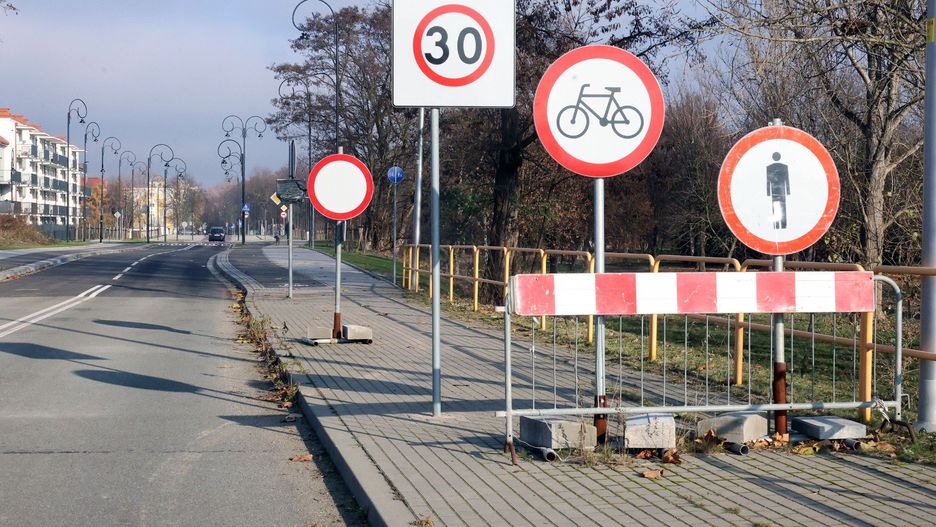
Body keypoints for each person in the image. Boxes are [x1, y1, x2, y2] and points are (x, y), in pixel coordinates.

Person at [766, 152, 791, 229]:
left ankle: (776, 225)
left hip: (774, 189)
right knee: (783, 206)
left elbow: (768, 182)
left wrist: (768, 192)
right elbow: (787, 180)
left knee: (775, 206)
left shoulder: (769, 167)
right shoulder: (784, 166)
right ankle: (783, 225)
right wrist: (788, 191)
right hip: (782, 189)